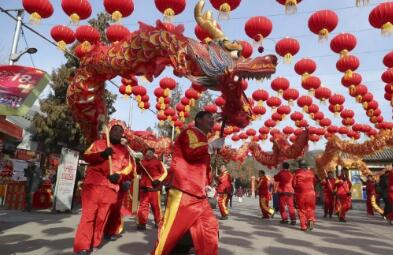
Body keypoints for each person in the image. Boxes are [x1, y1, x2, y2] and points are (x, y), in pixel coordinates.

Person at [151, 111, 224, 255]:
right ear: (198, 119)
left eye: (213, 119)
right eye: (208, 118)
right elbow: (192, 151)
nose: (212, 121)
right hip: (183, 192)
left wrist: (207, 185)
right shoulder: (190, 132)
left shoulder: (203, 138)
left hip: (199, 195)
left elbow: (202, 168)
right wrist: (210, 146)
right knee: (169, 235)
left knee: (209, 228)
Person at [73, 124, 134, 255]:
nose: (117, 133)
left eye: (120, 132)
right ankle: (82, 246)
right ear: (110, 132)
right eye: (115, 130)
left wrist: (118, 176)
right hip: (93, 185)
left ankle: (94, 241)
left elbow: (129, 169)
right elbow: (87, 156)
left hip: (110, 188)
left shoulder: (125, 152)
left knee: (101, 218)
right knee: (88, 216)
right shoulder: (99, 143)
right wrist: (102, 155)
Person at [136, 147, 167, 230]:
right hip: (144, 188)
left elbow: (164, 173)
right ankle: (142, 223)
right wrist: (137, 164)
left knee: (155, 206)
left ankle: (158, 221)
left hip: (154, 187)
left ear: (153, 153)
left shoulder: (158, 162)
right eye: (147, 153)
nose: (148, 154)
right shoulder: (141, 162)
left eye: (150, 153)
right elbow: (138, 172)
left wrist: (159, 180)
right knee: (143, 206)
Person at [293, 159, 317, 232]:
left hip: (301, 194)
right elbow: (314, 182)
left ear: (299, 166)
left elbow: (294, 184)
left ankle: (303, 226)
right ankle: (311, 219)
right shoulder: (311, 173)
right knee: (310, 208)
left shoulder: (297, 173)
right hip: (311, 193)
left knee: (302, 209)